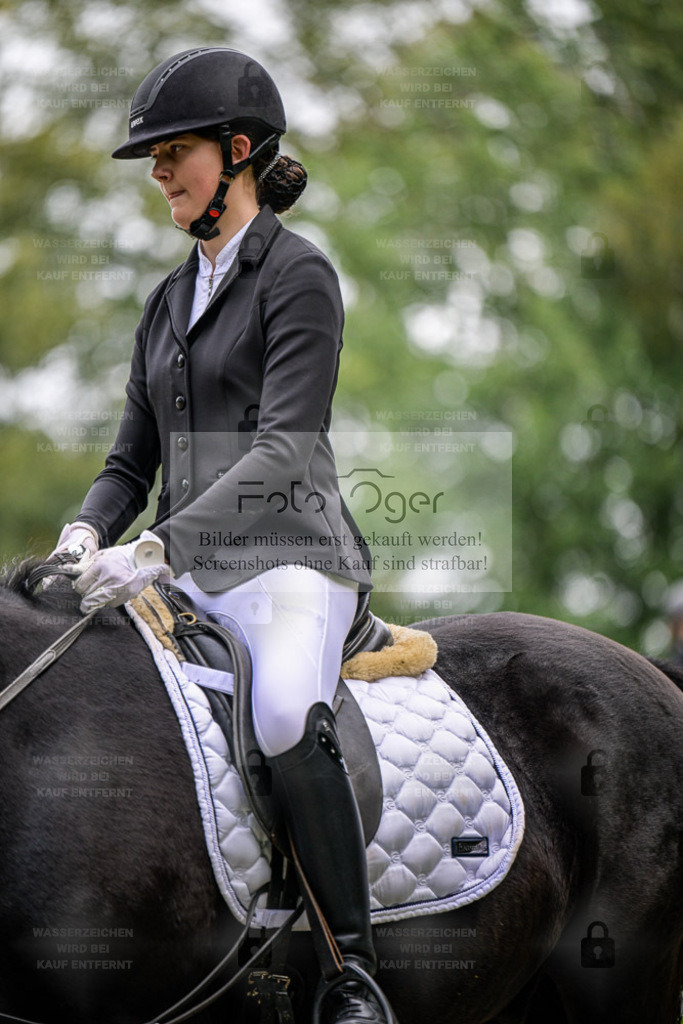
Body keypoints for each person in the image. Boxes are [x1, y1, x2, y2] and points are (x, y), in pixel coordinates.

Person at [48, 47, 392, 1024]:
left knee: (283, 710)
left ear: (238, 153)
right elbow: (129, 463)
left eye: (174, 153)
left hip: (292, 562)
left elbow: (285, 450)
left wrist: (158, 548)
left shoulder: (299, 276)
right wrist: (85, 532)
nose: (158, 174)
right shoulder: (166, 301)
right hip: (182, 573)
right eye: (153, 159)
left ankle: (351, 970)